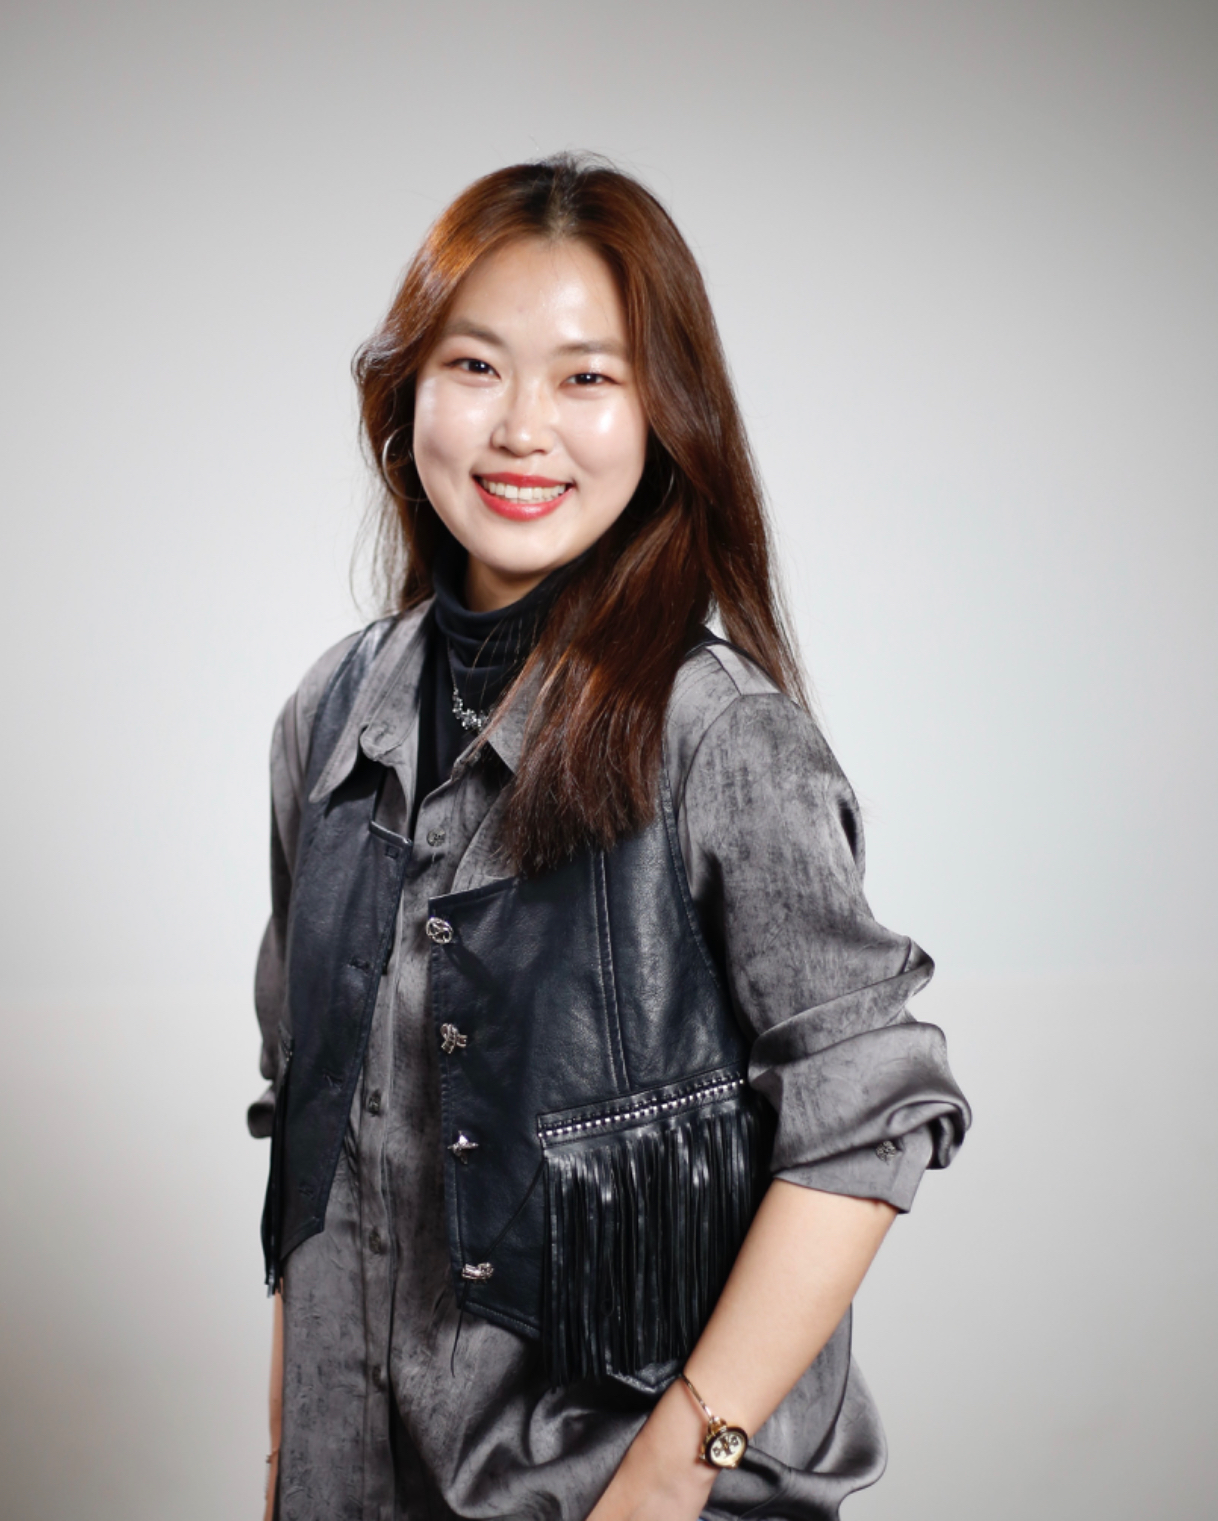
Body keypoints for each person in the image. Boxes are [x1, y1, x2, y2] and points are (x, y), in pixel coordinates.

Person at [248, 153, 971, 1521]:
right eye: (475, 366)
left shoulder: (716, 734)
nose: (523, 427)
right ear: (407, 398)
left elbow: (867, 1117)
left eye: (587, 377)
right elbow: (310, 1131)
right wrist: (290, 1464)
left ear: (662, 417)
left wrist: (665, 1478)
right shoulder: (328, 721)